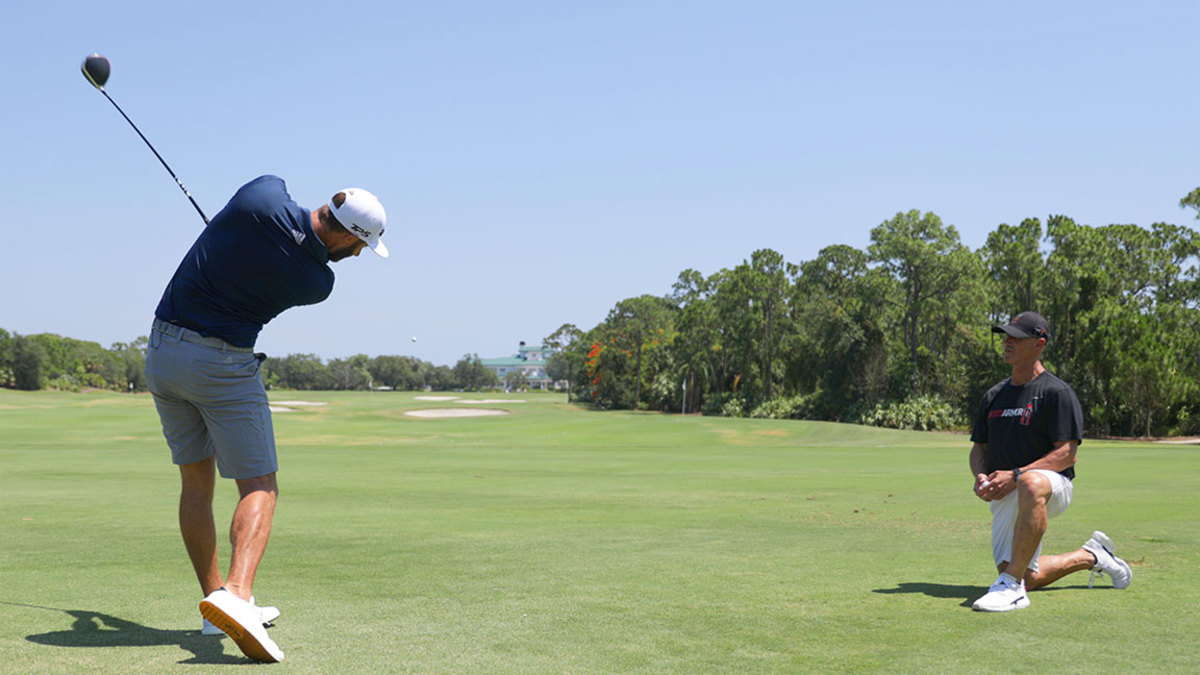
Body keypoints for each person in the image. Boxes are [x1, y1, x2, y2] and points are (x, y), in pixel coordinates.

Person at [144, 175, 388, 661]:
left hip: (160, 354)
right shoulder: (318, 283)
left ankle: (219, 604)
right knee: (260, 486)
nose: (358, 255)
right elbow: (292, 254)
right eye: (359, 245)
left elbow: (267, 212)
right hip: (220, 365)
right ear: (344, 234)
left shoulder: (262, 196)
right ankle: (236, 594)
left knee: (196, 485)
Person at [968, 311, 1132, 612]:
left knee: (1030, 482)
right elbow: (979, 450)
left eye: (1016, 337)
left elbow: (1066, 454)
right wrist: (981, 476)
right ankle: (1092, 556)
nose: (1007, 342)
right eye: (1006, 336)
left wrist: (1016, 475)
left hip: (1050, 486)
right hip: (1006, 490)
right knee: (1022, 573)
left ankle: (1011, 591)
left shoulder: (1057, 392)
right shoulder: (993, 395)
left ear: (1039, 344)